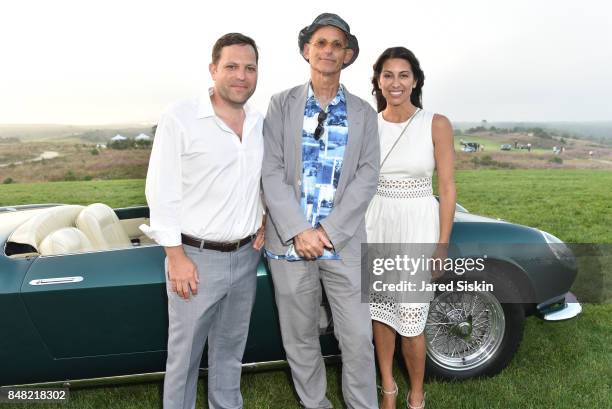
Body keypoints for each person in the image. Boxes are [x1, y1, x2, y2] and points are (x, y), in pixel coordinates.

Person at [261, 13, 380, 409]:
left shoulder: (364, 113)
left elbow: (367, 176)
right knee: (300, 337)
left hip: (342, 243)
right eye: (320, 43)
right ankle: (315, 404)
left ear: (347, 55)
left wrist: (328, 232)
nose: (328, 50)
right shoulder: (281, 105)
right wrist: (299, 230)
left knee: (359, 338)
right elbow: (271, 171)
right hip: (289, 244)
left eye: (337, 44)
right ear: (306, 50)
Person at [141, 33, 265, 409]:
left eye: (249, 68)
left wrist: (265, 217)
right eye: (231, 66)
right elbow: (161, 191)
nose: (241, 76)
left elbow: (262, 178)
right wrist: (176, 256)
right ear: (213, 69)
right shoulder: (180, 117)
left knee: (230, 354)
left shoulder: (260, 121)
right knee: (185, 359)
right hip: (195, 259)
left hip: (246, 257)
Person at [366, 47, 456, 409]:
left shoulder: (436, 123)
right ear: (378, 81)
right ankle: (388, 386)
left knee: (411, 318)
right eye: (388, 75)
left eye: (403, 75)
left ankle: (416, 392)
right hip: (377, 222)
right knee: (380, 311)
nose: (395, 82)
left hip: (417, 223)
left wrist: (442, 244)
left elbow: (447, 187)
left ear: (415, 80)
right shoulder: (368, 125)